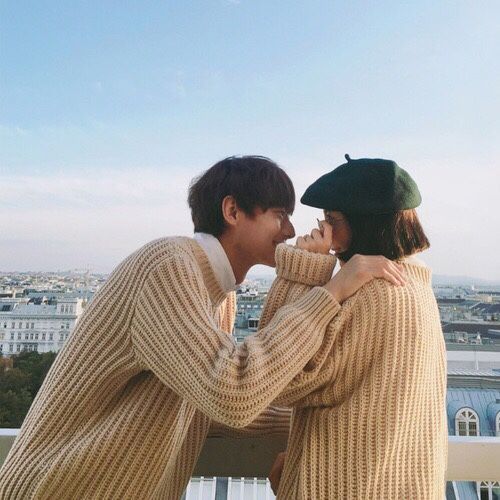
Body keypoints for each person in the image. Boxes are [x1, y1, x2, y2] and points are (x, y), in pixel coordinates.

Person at [0, 156, 404, 499]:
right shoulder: (168, 266)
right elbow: (232, 391)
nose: (289, 231)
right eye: (279, 215)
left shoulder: (219, 295)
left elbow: (205, 404)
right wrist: (331, 292)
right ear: (232, 211)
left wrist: (318, 431)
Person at [267, 155, 447, 499]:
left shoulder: (370, 294)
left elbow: (278, 376)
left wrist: (301, 271)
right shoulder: (417, 286)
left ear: (366, 223)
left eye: (333, 220)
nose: (326, 233)